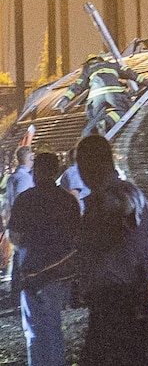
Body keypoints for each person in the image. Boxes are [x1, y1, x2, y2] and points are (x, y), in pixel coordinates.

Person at [76, 135, 148, 366]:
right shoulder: (100, 198)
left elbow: (124, 207)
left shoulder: (124, 192)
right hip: (108, 298)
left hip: (123, 298)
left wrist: (103, 191)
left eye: (82, 164)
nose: (81, 172)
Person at [7, 152, 80, 366]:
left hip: (34, 272)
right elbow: (77, 236)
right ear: (56, 171)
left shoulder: (26, 199)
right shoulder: (67, 200)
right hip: (62, 272)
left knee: (35, 330)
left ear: (35, 170)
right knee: (53, 325)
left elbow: (15, 236)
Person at [55, 54, 148, 136]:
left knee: (93, 122)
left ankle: (86, 141)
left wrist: (66, 98)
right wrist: (146, 82)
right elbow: (129, 73)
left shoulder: (87, 69)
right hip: (113, 92)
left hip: (95, 97)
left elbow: (78, 84)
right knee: (128, 110)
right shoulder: (112, 65)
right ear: (101, 59)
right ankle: (107, 122)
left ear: (88, 63)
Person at [3, 145, 34, 280]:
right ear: (27, 159)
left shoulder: (13, 177)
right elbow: (23, 202)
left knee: (18, 257)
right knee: (24, 258)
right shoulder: (24, 178)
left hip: (14, 223)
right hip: (23, 225)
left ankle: (17, 289)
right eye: (32, 158)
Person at [59, 146, 90, 215]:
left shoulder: (72, 171)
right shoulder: (74, 171)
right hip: (82, 210)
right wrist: (80, 214)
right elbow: (75, 193)